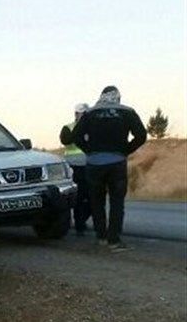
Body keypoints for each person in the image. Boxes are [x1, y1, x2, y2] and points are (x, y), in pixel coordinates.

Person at [72, 86, 147, 251]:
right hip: (117, 163)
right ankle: (114, 240)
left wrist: (89, 151)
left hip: (94, 164)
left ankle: (101, 237)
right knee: (117, 202)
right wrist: (125, 150)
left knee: (96, 201)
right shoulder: (127, 112)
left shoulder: (90, 113)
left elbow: (75, 136)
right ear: (118, 97)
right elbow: (141, 135)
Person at [59, 103, 91, 235]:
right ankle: (79, 224)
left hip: (90, 166)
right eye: (82, 114)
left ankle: (82, 219)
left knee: (92, 197)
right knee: (79, 197)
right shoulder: (68, 128)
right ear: (76, 114)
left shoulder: (93, 128)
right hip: (74, 167)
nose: (84, 116)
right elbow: (65, 140)